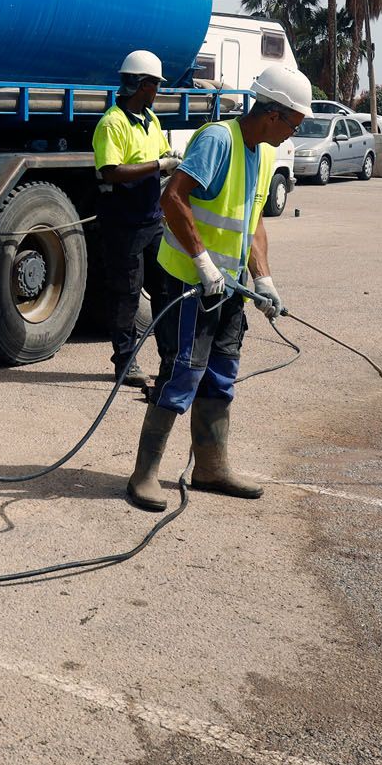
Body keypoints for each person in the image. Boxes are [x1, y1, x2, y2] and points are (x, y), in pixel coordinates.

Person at [125, 63, 311, 510]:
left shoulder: (264, 153)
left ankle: (210, 467)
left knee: (222, 371)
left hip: (229, 287)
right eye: (294, 123)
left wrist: (263, 279)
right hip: (191, 281)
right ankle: (143, 475)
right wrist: (203, 262)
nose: (293, 133)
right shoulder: (218, 139)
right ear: (272, 112)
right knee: (182, 371)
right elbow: (173, 196)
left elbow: (253, 221)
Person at [92, 50, 180, 390]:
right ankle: (125, 363)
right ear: (143, 85)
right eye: (155, 85)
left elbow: (160, 155)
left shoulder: (151, 120)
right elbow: (111, 171)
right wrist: (159, 166)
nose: (158, 91)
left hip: (151, 219)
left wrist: (170, 160)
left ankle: (170, 360)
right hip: (123, 224)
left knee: (163, 290)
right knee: (126, 295)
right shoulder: (112, 123)